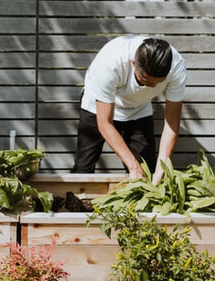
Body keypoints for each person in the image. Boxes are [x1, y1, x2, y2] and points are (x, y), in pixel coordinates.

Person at [72, 35, 187, 185]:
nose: (152, 87)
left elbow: (171, 121)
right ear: (133, 63)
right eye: (145, 81)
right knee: (83, 168)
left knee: (146, 171)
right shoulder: (110, 63)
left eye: (157, 83)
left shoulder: (176, 66)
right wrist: (133, 166)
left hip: (138, 107)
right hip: (97, 106)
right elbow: (105, 124)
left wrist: (162, 167)